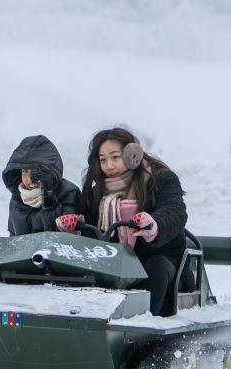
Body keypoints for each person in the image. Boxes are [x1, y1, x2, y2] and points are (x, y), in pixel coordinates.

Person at [79, 127, 192, 316]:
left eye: (115, 157)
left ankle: (145, 322)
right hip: (115, 264)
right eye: (103, 160)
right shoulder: (97, 191)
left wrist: (154, 224)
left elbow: (175, 211)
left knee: (156, 265)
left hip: (161, 261)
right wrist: (77, 226)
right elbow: (91, 227)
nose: (109, 166)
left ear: (133, 154)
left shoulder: (160, 179)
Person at [2, 135, 81, 236]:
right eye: (24, 171)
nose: (28, 179)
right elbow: (13, 238)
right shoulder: (17, 198)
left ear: (46, 172)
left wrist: (49, 200)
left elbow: (68, 237)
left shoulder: (68, 193)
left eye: (34, 172)